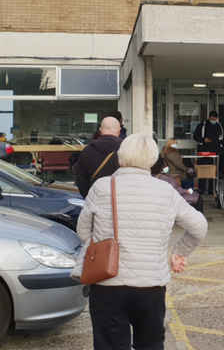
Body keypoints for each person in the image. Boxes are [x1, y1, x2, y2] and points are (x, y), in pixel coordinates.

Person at [72, 133, 207, 350]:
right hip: (151, 285)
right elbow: (199, 226)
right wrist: (179, 252)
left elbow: (82, 230)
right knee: (150, 345)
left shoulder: (102, 187)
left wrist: (99, 244)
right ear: (152, 160)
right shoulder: (165, 191)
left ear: (120, 156)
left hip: (107, 282)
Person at [74, 117, 123, 198]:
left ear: (100, 129)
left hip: (96, 199)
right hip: (120, 200)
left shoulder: (88, 150)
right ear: (119, 130)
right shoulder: (126, 149)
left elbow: (81, 179)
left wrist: (90, 197)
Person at [193, 111, 224, 195]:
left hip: (214, 153)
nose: (214, 120)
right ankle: (202, 189)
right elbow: (195, 136)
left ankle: (211, 190)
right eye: (212, 118)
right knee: (203, 170)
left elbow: (221, 138)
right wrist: (203, 140)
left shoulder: (219, 126)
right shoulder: (202, 125)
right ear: (209, 117)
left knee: (213, 172)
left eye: (215, 118)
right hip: (203, 151)